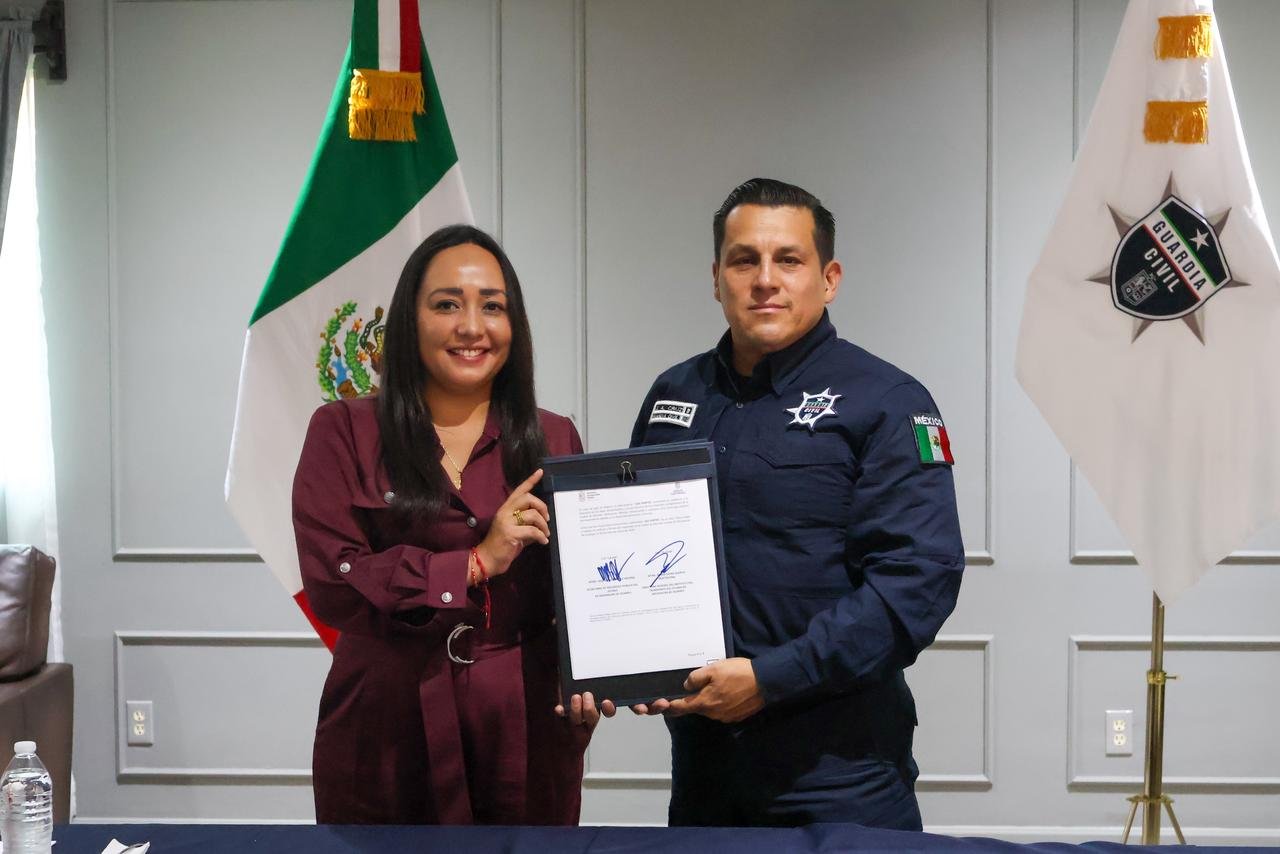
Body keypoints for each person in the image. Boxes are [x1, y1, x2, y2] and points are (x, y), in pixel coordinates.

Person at [628, 179, 964, 829]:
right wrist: (617, 667)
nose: (765, 280)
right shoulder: (675, 395)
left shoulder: (887, 401)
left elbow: (917, 581)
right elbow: (638, 552)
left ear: (828, 279)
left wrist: (771, 679)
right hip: (705, 768)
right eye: (743, 260)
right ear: (716, 278)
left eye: (788, 259)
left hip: (840, 771)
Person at [292, 224, 611, 825]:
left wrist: (600, 669)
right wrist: (473, 563)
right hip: (385, 719)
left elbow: (582, 588)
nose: (471, 326)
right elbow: (334, 582)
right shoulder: (342, 430)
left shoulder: (553, 436)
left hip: (522, 715)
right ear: (408, 322)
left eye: (492, 306)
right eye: (446, 305)